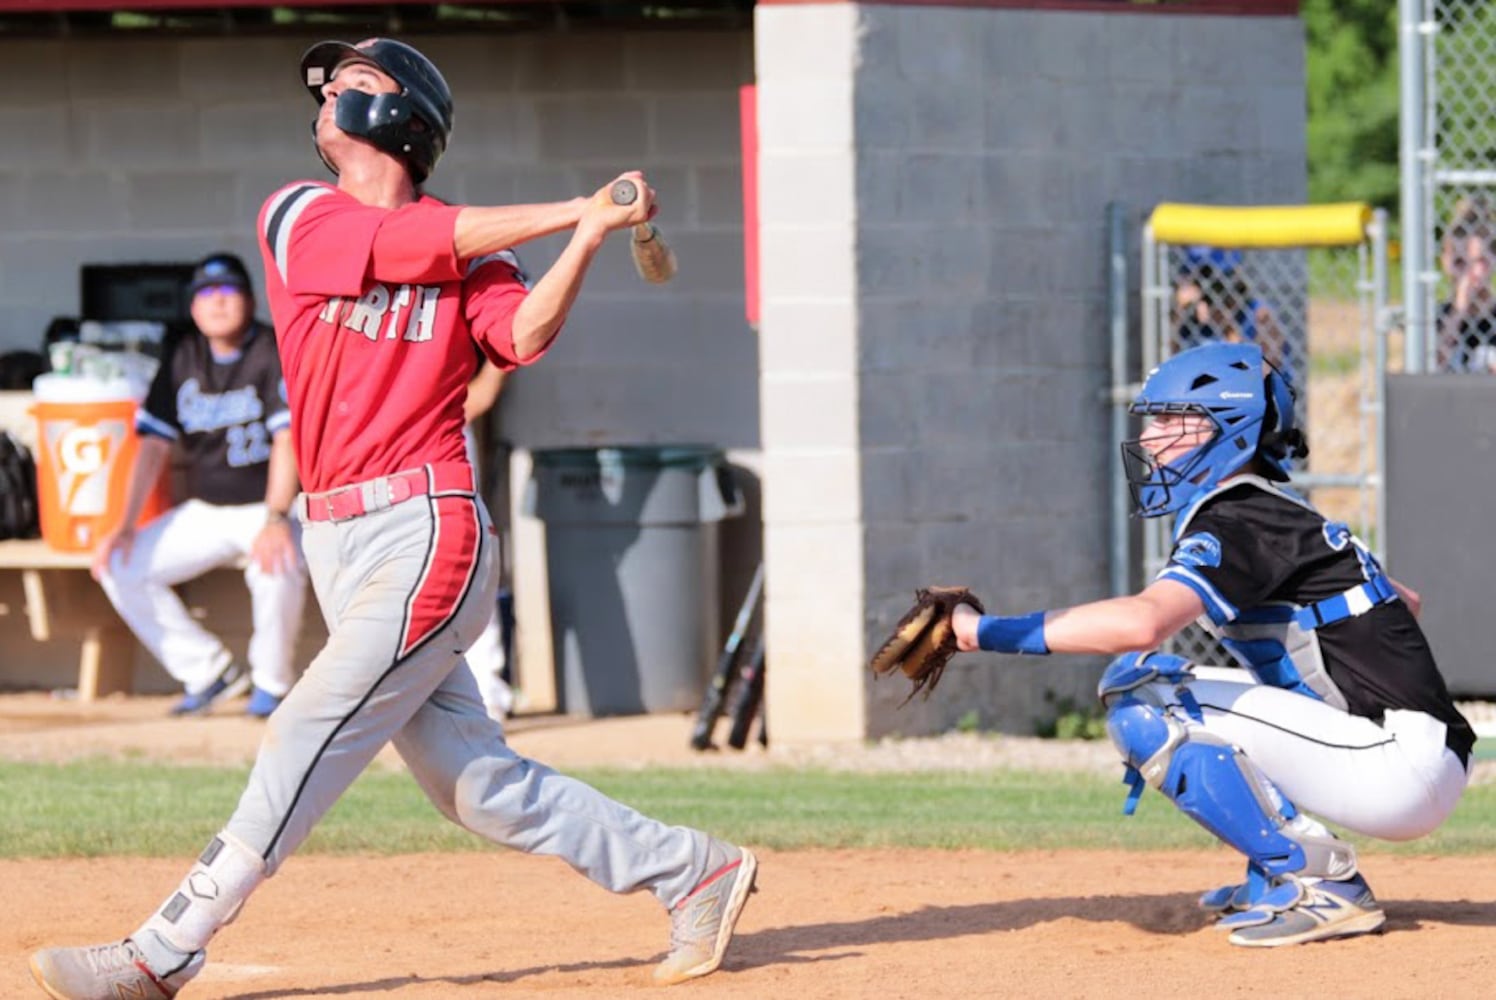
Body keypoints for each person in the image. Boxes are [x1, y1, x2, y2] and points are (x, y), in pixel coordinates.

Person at [30, 37, 756, 1000]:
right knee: (478, 789)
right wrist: (573, 209)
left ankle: (164, 949)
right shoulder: (299, 213)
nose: (329, 90)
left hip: (426, 527)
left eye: (355, 81)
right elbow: (408, 247)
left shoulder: (479, 252)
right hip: (337, 537)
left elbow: (522, 337)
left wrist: (583, 241)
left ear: (403, 114)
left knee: (302, 727)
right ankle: (691, 869)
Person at [943, 342, 1469, 947]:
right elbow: (1406, 603)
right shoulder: (1270, 511)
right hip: (1411, 751)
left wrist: (983, 632)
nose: (1151, 437)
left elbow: (1143, 622)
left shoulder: (1238, 516)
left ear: (1231, 428)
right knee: (1175, 683)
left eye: (1171, 419)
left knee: (1143, 694)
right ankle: (1276, 872)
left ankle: (1321, 883)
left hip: (1397, 768)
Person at [92, 252, 307, 719]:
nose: (217, 303)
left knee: (278, 563)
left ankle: (272, 685)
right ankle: (208, 672)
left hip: (269, 506)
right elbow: (151, 448)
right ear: (192, 308)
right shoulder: (183, 356)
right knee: (119, 566)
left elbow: (287, 438)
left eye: (227, 291)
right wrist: (125, 524)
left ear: (249, 300)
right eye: (206, 295)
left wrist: (275, 518)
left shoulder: (273, 349)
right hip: (207, 510)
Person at [463, 356, 517, 719]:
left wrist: (501, 356)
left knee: (472, 568)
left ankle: (489, 695)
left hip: (445, 447)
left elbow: (479, 397)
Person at [1436, 221, 1496, 372]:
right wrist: (1459, 309)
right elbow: (1433, 364)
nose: (1469, 272)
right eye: (1460, 262)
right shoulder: (1440, 315)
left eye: (1478, 261)